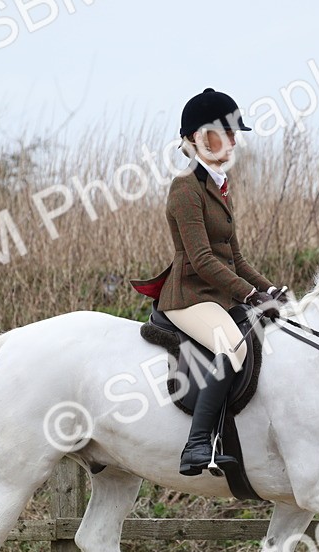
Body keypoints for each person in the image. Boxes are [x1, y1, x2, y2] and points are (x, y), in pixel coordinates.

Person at [131, 88, 288, 476]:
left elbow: (234, 257)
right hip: (188, 296)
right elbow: (201, 259)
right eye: (225, 133)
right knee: (232, 348)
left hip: (217, 295)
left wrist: (269, 290)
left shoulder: (218, 187)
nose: (233, 141)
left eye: (235, 134)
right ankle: (197, 444)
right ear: (197, 139)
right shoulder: (185, 188)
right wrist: (249, 294)